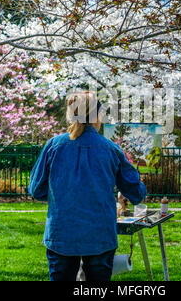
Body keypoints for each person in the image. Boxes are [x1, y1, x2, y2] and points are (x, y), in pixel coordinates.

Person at [28, 91, 147, 281]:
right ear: (97, 116)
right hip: (99, 236)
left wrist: (58, 195)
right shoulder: (111, 149)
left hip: (62, 234)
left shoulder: (54, 146)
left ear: (70, 114)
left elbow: (36, 190)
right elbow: (136, 194)